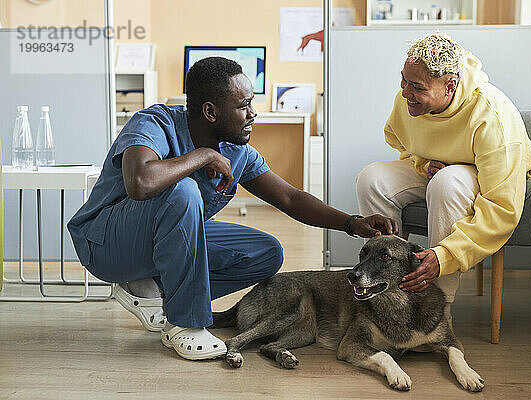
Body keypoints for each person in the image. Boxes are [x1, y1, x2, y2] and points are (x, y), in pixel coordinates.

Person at [67, 57, 398, 361]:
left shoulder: (238, 151)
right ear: (211, 112)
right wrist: (204, 156)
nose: (253, 112)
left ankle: (152, 285)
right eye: (244, 105)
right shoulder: (154, 122)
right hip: (105, 244)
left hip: (155, 244)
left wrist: (353, 223)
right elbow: (141, 182)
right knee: (181, 190)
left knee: (266, 252)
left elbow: (291, 199)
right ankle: (184, 324)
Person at [356, 33, 531, 319]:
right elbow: (405, 147)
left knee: (448, 182)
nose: (405, 92)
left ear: (450, 85)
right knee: (372, 178)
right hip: (441, 172)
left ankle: (437, 309)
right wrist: (424, 164)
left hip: (493, 181)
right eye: (403, 80)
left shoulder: (491, 116)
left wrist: (445, 256)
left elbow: (502, 207)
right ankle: (385, 291)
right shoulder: (408, 100)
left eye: (416, 87)